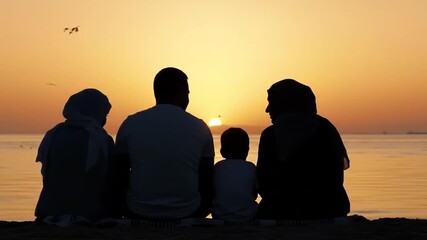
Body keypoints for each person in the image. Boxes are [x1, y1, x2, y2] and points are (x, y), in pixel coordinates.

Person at [115, 67, 215, 219]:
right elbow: (207, 180)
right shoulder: (200, 127)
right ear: (182, 92)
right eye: (187, 93)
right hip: (188, 211)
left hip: (137, 211)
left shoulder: (130, 124)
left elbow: (119, 177)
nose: (188, 98)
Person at [256, 79, 350, 220]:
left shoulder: (271, 135)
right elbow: (336, 179)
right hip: (329, 208)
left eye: (272, 102)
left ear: (284, 104)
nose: (267, 109)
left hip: (283, 210)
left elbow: (263, 184)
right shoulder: (326, 128)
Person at [35, 89, 120, 226]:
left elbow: (47, 176)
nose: (104, 119)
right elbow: (111, 179)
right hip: (88, 213)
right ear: (96, 112)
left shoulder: (53, 135)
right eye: (105, 114)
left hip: (48, 211)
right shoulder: (101, 139)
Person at [212, 128, 258, 221]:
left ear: (222, 152)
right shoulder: (251, 167)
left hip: (219, 216)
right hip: (248, 216)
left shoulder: (218, 167)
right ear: (247, 150)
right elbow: (254, 193)